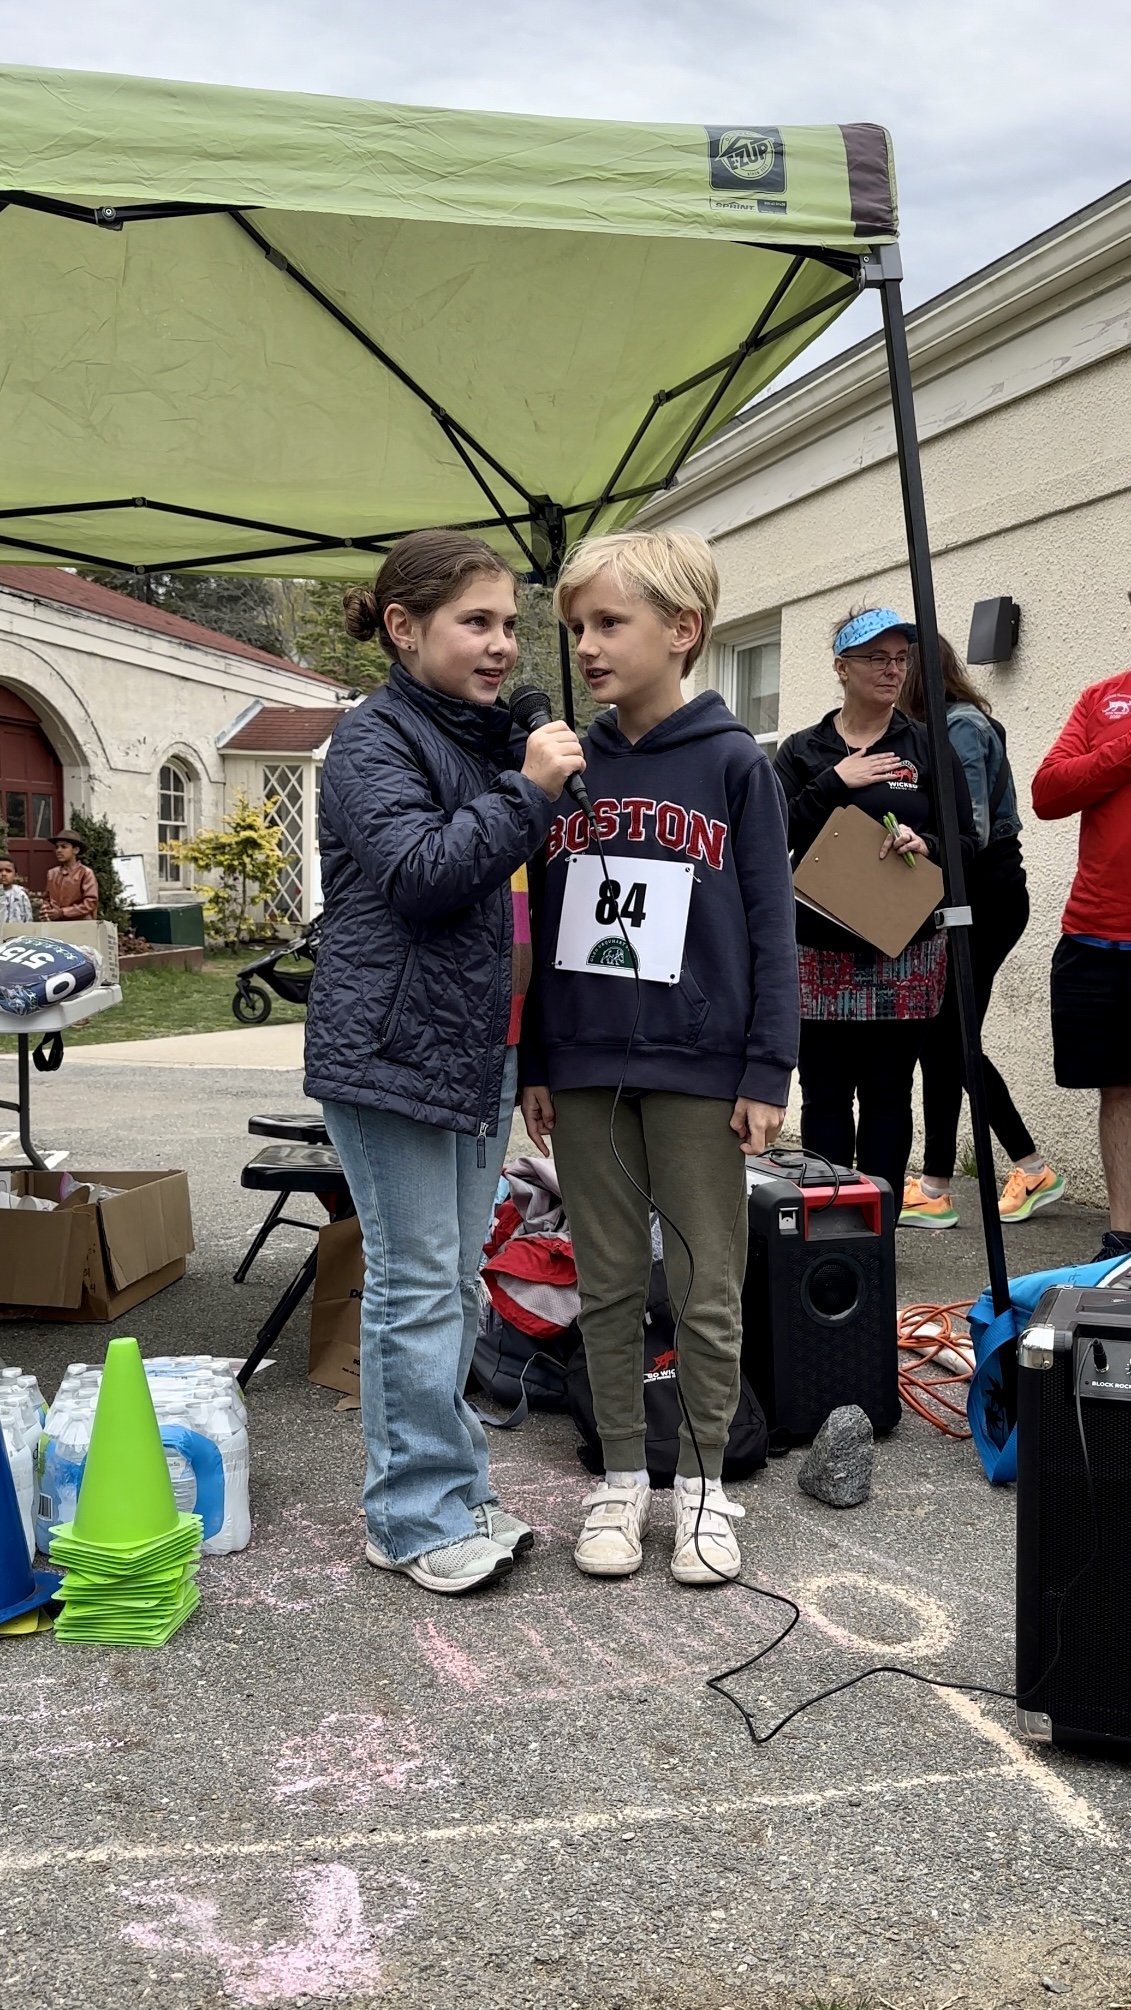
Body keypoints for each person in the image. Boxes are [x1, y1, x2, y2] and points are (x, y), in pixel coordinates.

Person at [303, 530, 585, 1597]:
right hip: (391, 1059)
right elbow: (422, 874)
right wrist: (527, 791)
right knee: (418, 1290)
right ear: (404, 627)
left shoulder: (481, 742)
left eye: (512, 624)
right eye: (478, 622)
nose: (504, 644)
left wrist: (529, 782)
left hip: (476, 1056)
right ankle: (410, 1518)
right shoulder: (373, 741)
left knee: (454, 1287)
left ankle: (456, 1488)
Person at [520, 530, 799, 1588]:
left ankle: (703, 1486)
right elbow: (541, 926)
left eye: (609, 623)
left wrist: (767, 1067)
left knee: (703, 1283)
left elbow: (773, 926)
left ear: (682, 632)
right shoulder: (567, 770)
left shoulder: (736, 764)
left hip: (701, 1069)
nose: (587, 646)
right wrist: (535, 1059)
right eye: (577, 628)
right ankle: (621, 1479)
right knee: (603, 1281)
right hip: (585, 1068)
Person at [773, 608, 976, 1211]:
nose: (892, 670)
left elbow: (967, 843)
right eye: (876, 658)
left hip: (901, 949)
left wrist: (927, 845)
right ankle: (829, 1225)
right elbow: (767, 834)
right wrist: (835, 780)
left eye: (900, 658)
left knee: (889, 1095)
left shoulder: (926, 745)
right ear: (841, 667)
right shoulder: (804, 750)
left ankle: (880, 1226)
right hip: (819, 951)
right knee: (825, 1096)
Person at [898, 635, 1064, 1229]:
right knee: (942, 1039)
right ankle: (937, 1186)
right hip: (960, 897)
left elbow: (969, 828)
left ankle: (1030, 1167)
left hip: (985, 898)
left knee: (952, 1037)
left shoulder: (961, 726)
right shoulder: (939, 726)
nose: (890, 676)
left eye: (899, 664)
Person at [1032, 654, 1131, 1262]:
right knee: (1118, 1092)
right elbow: (1048, 793)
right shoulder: (1102, 700)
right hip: (1096, 938)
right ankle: (1123, 1239)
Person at [43, 831, 99, 921]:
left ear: (75, 850)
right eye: (57, 847)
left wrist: (63, 912)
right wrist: (46, 911)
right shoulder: (52, 873)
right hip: (56, 925)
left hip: (81, 924)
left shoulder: (85, 873)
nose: (59, 850)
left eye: (64, 847)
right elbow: (47, 899)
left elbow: (90, 902)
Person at [0, 856, 33, 924]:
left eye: (8, 871)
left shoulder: (21, 895)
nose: (3, 874)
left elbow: (28, 921)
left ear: (15, 875)